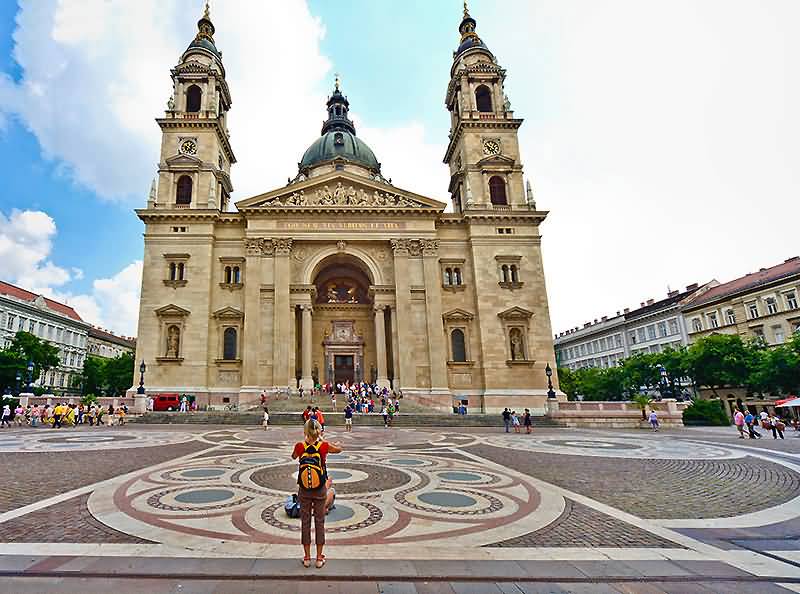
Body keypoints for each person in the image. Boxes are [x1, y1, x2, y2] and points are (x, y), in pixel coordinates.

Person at [291, 419, 342, 569]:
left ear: (305, 431)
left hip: (304, 489)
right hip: (319, 488)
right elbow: (339, 449)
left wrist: (303, 444)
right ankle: (319, 558)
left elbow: (293, 456)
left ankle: (306, 557)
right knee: (319, 522)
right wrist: (322, 439)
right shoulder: (324, 446)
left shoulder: (300, 446)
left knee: (305, 522)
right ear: (319, 431)